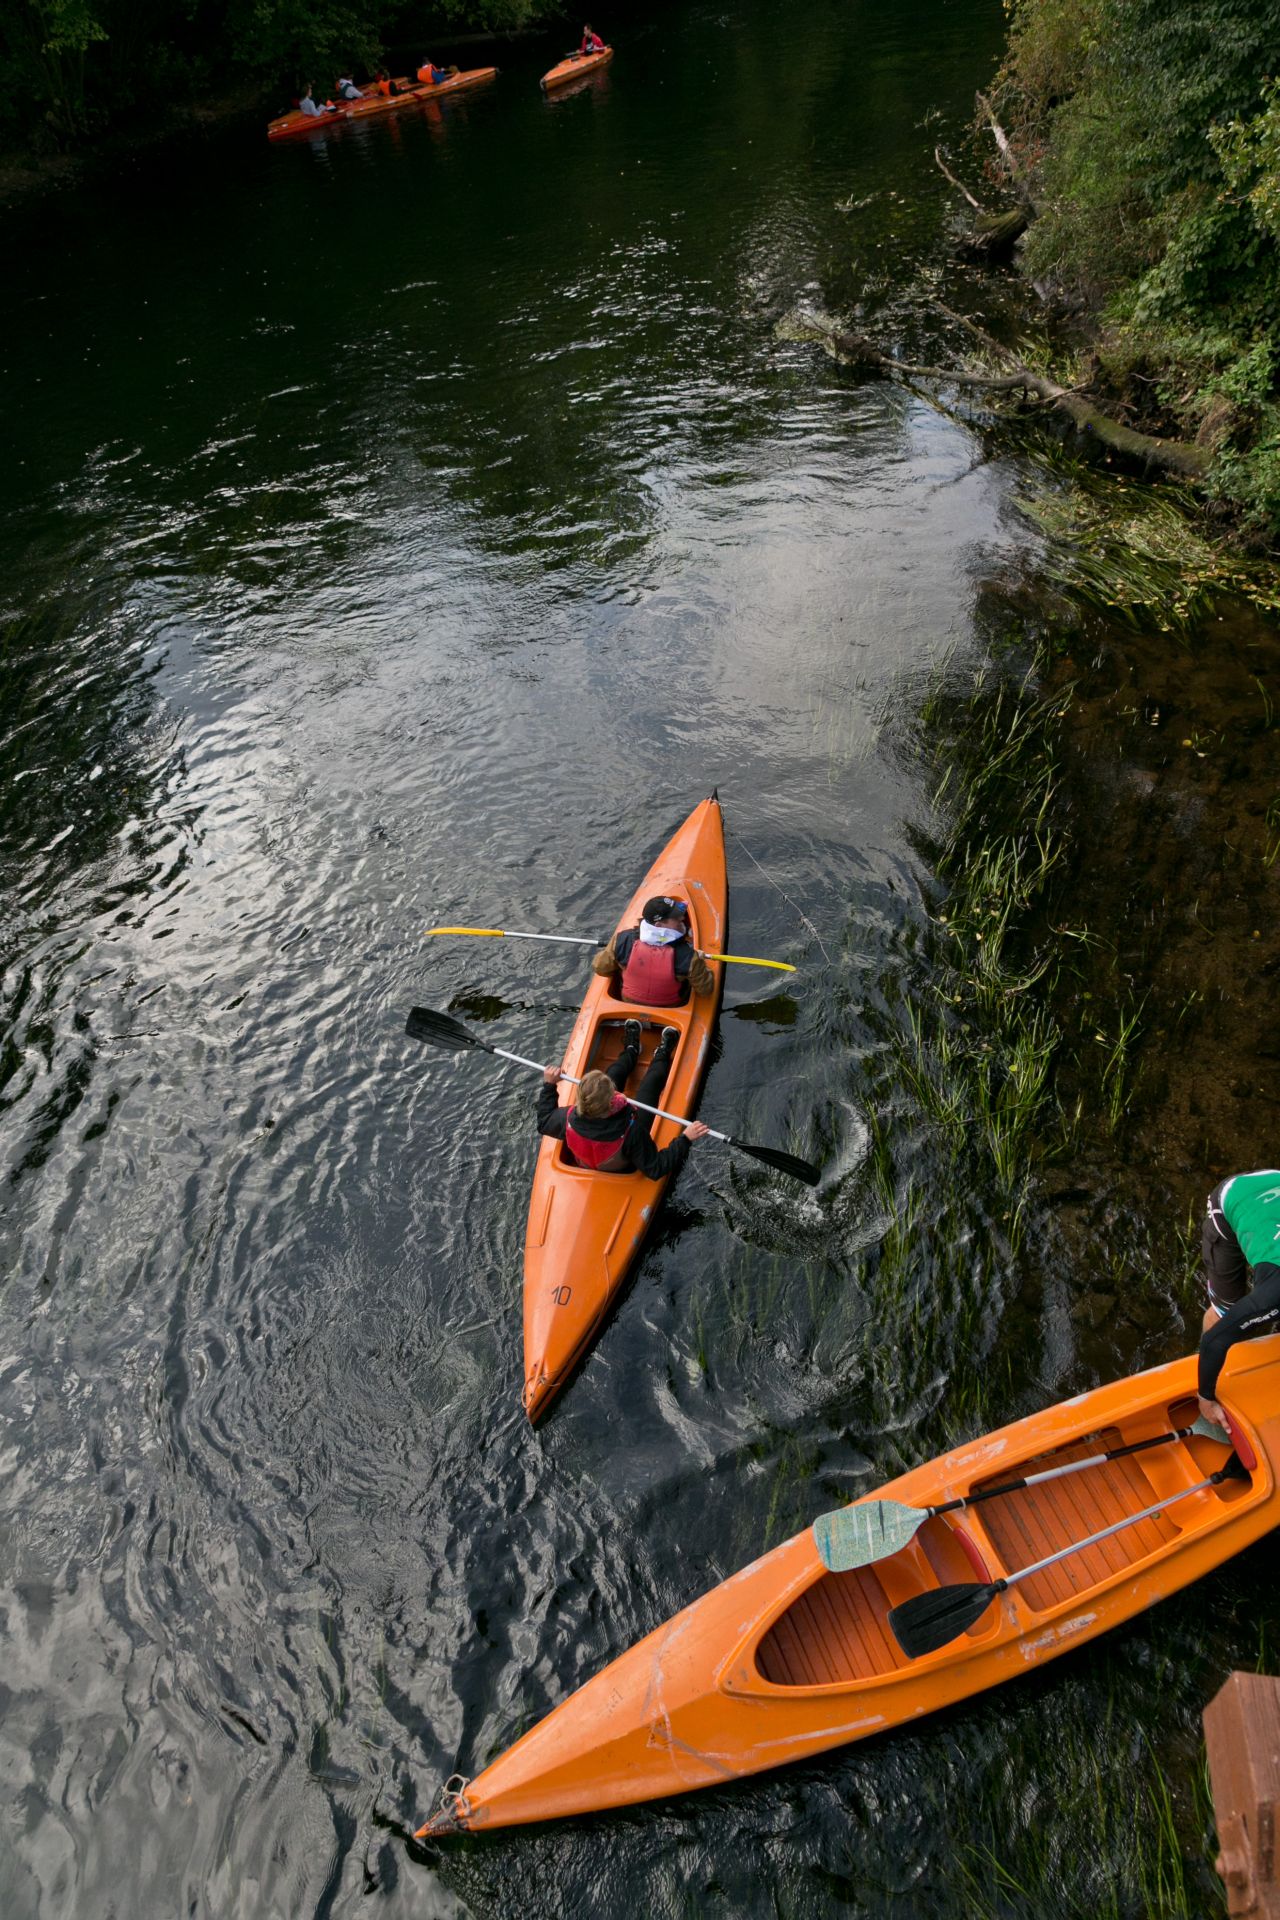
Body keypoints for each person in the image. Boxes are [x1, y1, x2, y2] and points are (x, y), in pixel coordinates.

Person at [538, 1020, 709, 1175]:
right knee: (650, 1085)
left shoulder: (566, 1117)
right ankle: (662, 1054)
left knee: (614, 1073)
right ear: (612, 1102)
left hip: (595, 1154)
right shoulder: (633, 1133)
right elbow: (656, 1168)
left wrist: (549, 1085)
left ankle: (631, 1050)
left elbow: (544, 1122)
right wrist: (686, 1138)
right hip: (624, 1154)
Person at [1197, 1167, 1280, 1425]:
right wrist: (1205, 1399)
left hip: (1271, 1195)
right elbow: (1214, 1340)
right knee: (1224, 1314)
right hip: (1234, 1198)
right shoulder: (1272, 1295)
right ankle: (1198, 1371)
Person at [591, 896, 714, 1007]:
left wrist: (621, 960)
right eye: (675, 917)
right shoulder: (689, 956)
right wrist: (700, 962)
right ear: (659, 925)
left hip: (628, 1002)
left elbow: (600, 968)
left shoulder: (623, 939)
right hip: (670, 1008)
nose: (682, 917)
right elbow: (706, 990)